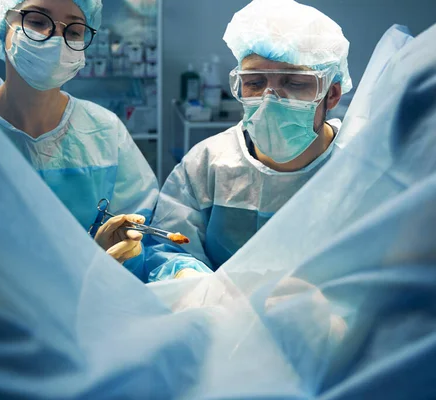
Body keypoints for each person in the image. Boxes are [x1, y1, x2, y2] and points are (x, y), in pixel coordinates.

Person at [144, 0, 352, 282]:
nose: (270, 99)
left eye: (294, 82)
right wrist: (196, 289)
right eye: (255, 82)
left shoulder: (359, 167)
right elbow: (168, 253)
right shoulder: (207, 164)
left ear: (332, 94)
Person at [0, 0, 159, 274]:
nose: (56, 40)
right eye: (37, 21)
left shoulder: (104, 131)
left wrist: (104, 259)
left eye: (73, 30)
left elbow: (146, 242)